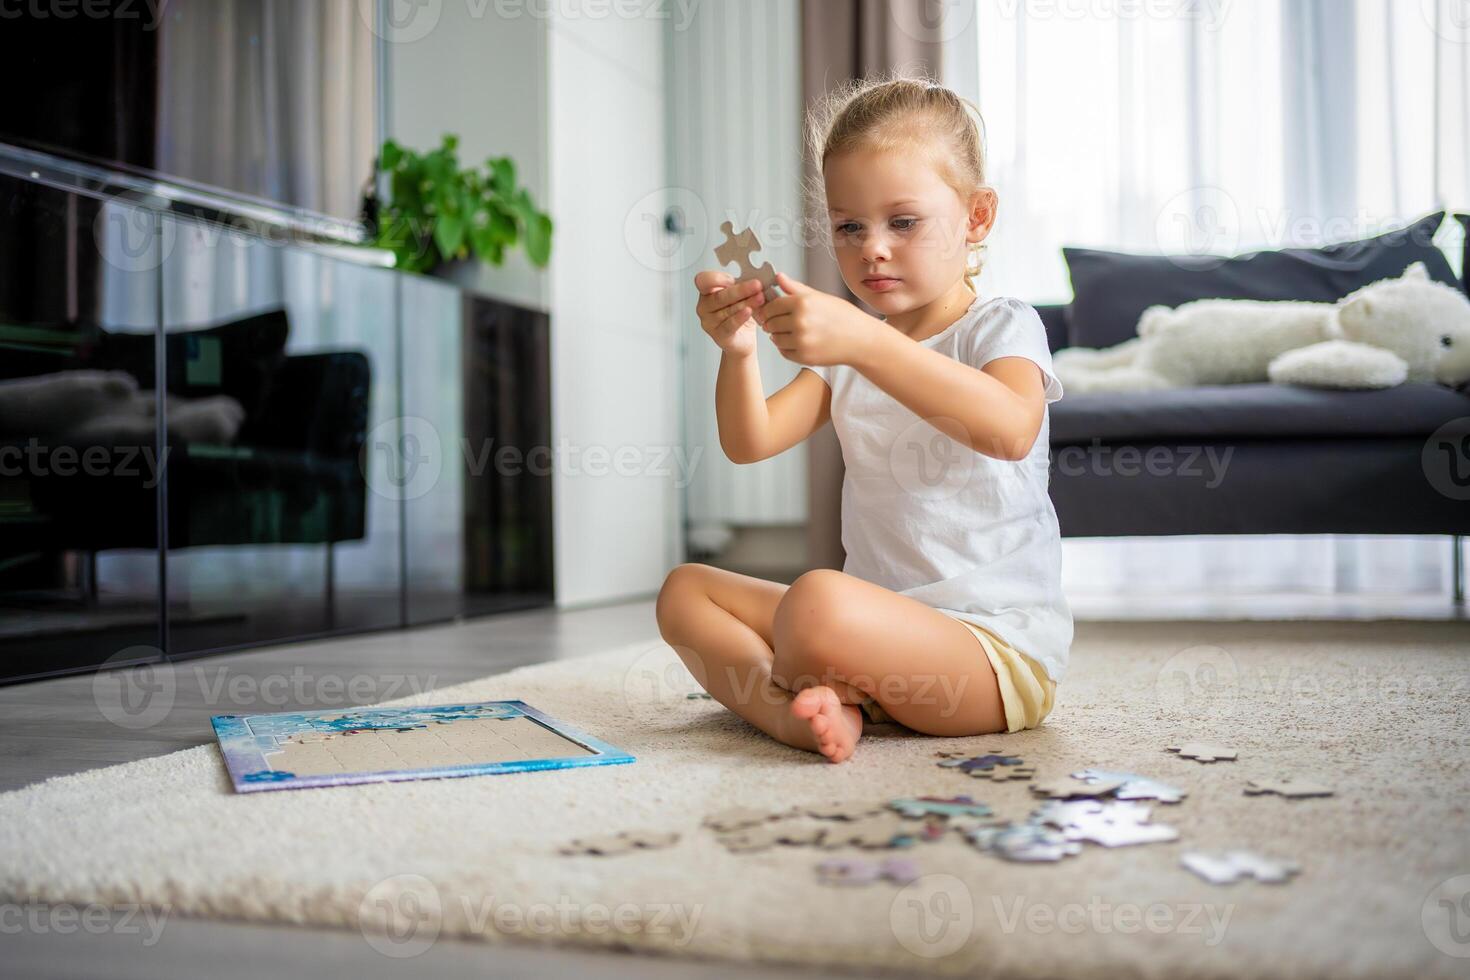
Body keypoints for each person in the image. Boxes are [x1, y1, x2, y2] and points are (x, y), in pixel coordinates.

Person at [656, 73, 1072, 763]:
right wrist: (737, 352)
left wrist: (866, 339)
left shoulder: (1000, 326)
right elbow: (749, 441)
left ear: (977, 217)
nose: (871, 247)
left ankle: (814, 682)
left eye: (902, 222)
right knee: (686, 591)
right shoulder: (847, 353)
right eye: (850, 226)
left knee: (815, 602)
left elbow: (1009, 429)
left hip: (989, 657)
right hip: (874, 635)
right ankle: (797, 715)